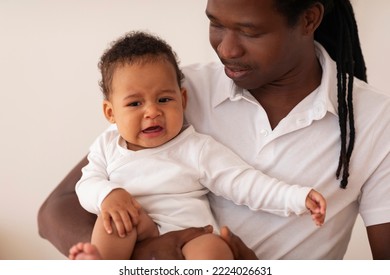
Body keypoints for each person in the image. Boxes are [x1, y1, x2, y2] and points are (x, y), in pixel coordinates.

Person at [38, 0, 390, 260]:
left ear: (309, 19)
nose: (226, 48)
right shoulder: (172, 91)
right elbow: (57, 208)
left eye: (250, 31)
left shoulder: (373, 119)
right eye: (216, 24)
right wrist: (143, 258)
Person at [67, 31, 325, 260]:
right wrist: (108, 194)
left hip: (190, 236)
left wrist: (296, 197)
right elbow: (85, 185)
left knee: (215, 249)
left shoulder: (196, 148)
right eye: (135, 104)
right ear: (110, 113)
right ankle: (100, 265)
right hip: (136, 226)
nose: (152, 112)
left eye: (164, 99)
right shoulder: (107, 145)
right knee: (113, 221)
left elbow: (244, 182)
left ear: (183, 99)